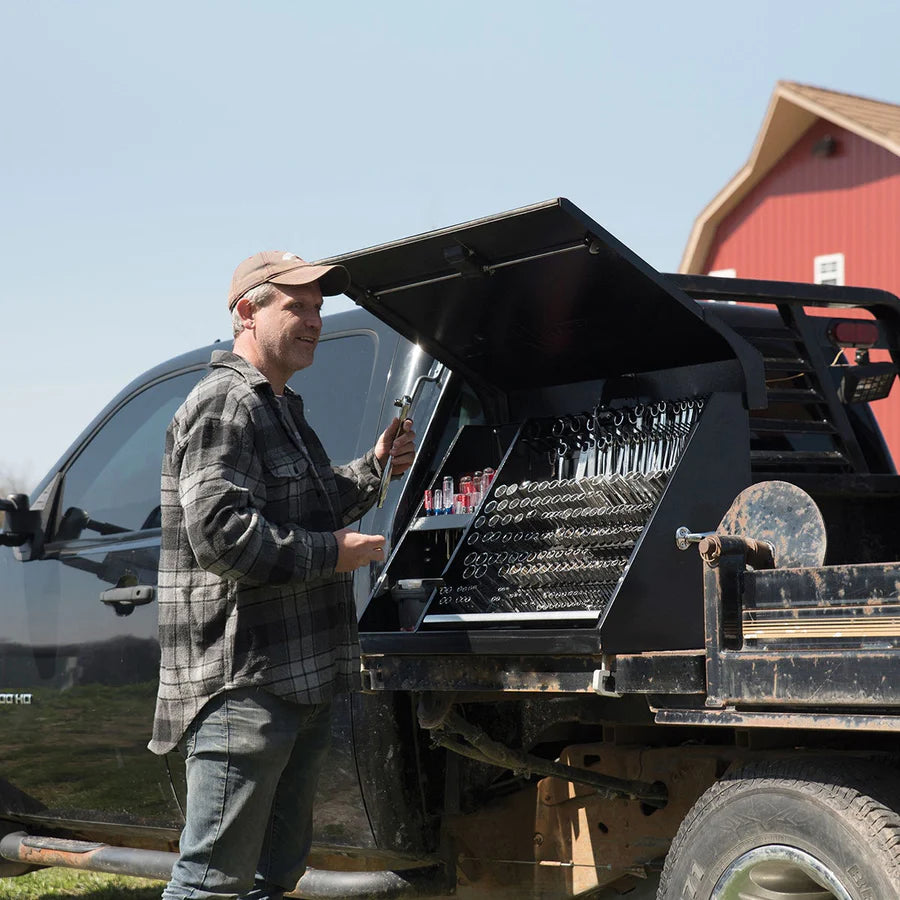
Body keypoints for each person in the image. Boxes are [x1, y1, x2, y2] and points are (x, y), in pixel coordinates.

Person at [148, 250, 416, 900]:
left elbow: (309, 499)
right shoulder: (225, 404)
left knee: (274, 877)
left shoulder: (279, 406)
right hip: (246, 689)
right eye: (297, 306)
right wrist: (334, 554)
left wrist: (376, 466)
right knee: (211, 884)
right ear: (247, 311)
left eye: (320, 308)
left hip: (298, 683)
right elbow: (221, 536)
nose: (315, 321)